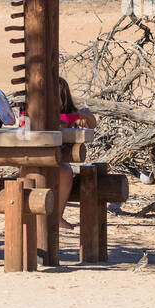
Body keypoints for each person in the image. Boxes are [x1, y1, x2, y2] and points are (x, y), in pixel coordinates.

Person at [56, 77, 97, 231]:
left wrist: (87, 116)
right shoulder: (38, 111)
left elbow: (92, 124)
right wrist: (76, 117)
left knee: (66, 171)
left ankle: (57, 216)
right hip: (35, 157)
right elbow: (57, 120)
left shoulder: (69, 113)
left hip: (58, 160)